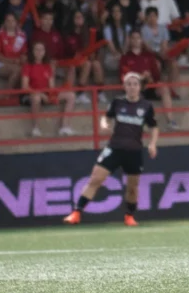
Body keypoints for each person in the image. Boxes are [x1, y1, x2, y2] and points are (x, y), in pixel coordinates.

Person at [64, 72, 159, 227]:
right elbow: (106, 116)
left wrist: (153, 144)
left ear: (140, 87)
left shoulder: (146, 106)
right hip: (114, 148)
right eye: (129, 84)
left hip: (134, 151)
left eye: (135, 84)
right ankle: (76, 213)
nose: (132, 87)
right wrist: (104, 123)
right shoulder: (117, 102)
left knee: (132, 187)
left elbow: (154, 127)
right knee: (95, 179)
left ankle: (129, 216)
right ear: (124, 87)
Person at [21, 40, 76, 137]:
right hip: (31, 94)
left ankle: (64, 127)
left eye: (41, 50)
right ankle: (35, 128)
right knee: (36, 97)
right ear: (32, 52)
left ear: (45, 52)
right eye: (36, 50)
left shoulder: (48, 66)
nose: (39, 52)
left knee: (71, 95)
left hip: (46, 93)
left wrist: (52, 95)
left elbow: (51, 86)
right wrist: (41, 94)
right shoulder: (27, 66)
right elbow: (25, 86)